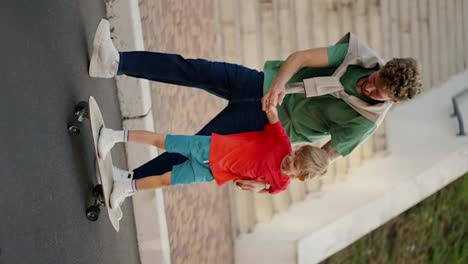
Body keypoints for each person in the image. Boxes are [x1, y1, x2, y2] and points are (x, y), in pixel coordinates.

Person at [89, 19, 422, 199]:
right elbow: (302, 58)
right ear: (382, 66)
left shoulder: (365, 123)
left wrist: (268, 181)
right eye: (375, 78)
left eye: (378, 91)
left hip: (266, 130)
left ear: (390, 100)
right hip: (261, 85)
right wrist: (277, 85)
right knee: (194, 69)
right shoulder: (358, 57)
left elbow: (322, 160)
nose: (369, 86)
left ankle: (127, 182)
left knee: (194, 149)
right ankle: (116, 62)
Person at [98, 105, 329, 208]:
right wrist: (271, 102)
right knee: (162, 141)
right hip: (209, 147)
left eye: (294, 165)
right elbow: (272, 115)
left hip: (211, 172)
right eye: (295, 155)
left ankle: (126, 188)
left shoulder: (281, 184)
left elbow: (266, 187)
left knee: (166, 180)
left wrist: (257, 186)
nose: (290, 159)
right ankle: (113, 136)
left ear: (298, 176)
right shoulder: (282, 142)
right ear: (298, 148)